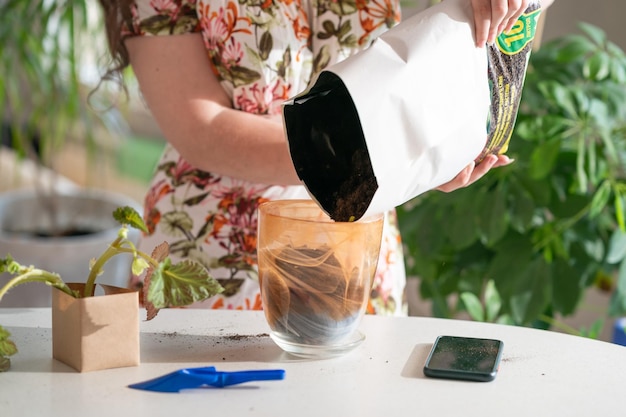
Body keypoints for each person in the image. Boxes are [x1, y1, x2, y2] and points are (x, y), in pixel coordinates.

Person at [97, 0, 551, 315]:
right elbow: (201, 126)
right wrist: (381, 160)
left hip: (358, 253)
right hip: (219, 258)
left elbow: (504, 23)